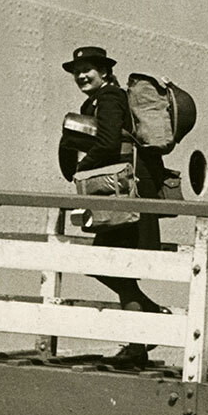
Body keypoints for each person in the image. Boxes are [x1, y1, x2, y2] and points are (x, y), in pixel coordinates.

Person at [60, 46, 170, 368]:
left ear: (104, 71)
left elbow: (107, 144)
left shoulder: (110, 98)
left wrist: (81, 169)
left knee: (111, 264)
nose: (81, 75)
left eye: (88, 69)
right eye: (77, 70)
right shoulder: (92, 101)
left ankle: (142, 334)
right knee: (109, 264)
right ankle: (145, 328)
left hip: (129, 192)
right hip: (118, 192)